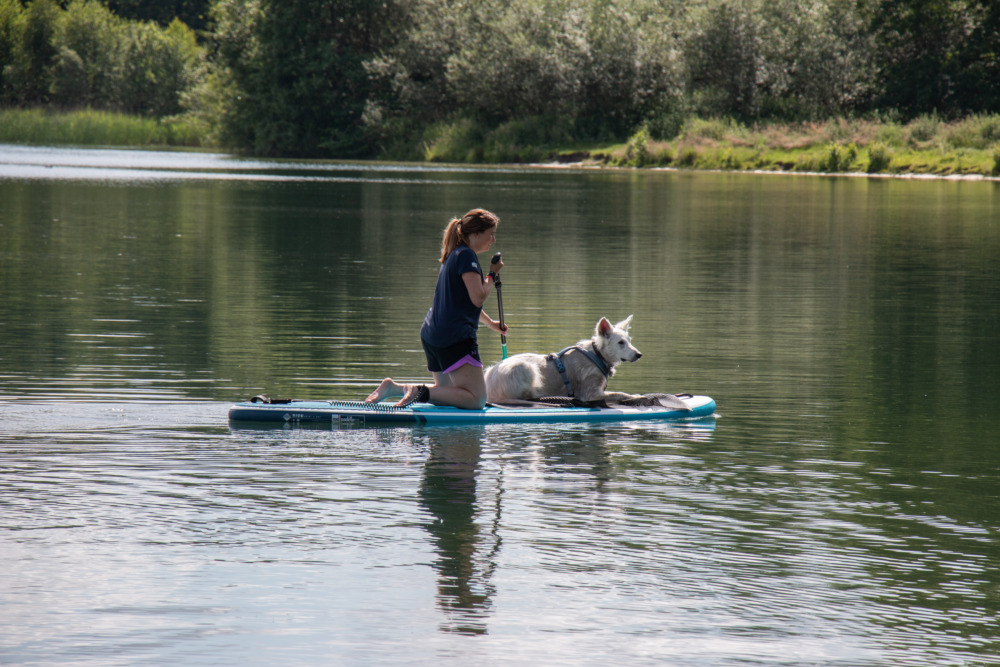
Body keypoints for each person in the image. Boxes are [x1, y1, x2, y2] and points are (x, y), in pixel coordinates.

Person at [366, 209, 507, 409]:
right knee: (476, 399)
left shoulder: (455, 254)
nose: (493, 239)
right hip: (454, 338)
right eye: (490, 233)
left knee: (447, 396)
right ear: (476, 234)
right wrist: (492, 274)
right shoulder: (467, 256)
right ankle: (418, 392)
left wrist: (491, 324)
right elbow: (477, 298)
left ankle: (396, 388)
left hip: (434, 335)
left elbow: (461, 303)